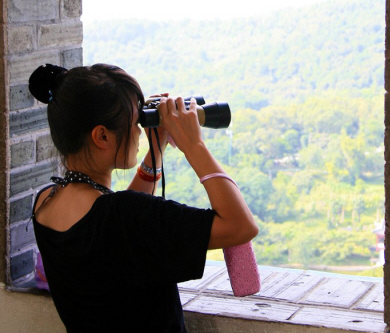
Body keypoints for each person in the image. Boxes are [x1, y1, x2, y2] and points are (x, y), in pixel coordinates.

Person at [29, 63, 258, 333]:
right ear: (102, 136)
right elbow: (240, 226)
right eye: (134, 123)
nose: (139, 132)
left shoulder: (45, 202)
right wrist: (193, 145)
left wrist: (157, 146)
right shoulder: (125, 217)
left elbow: (118, 236)